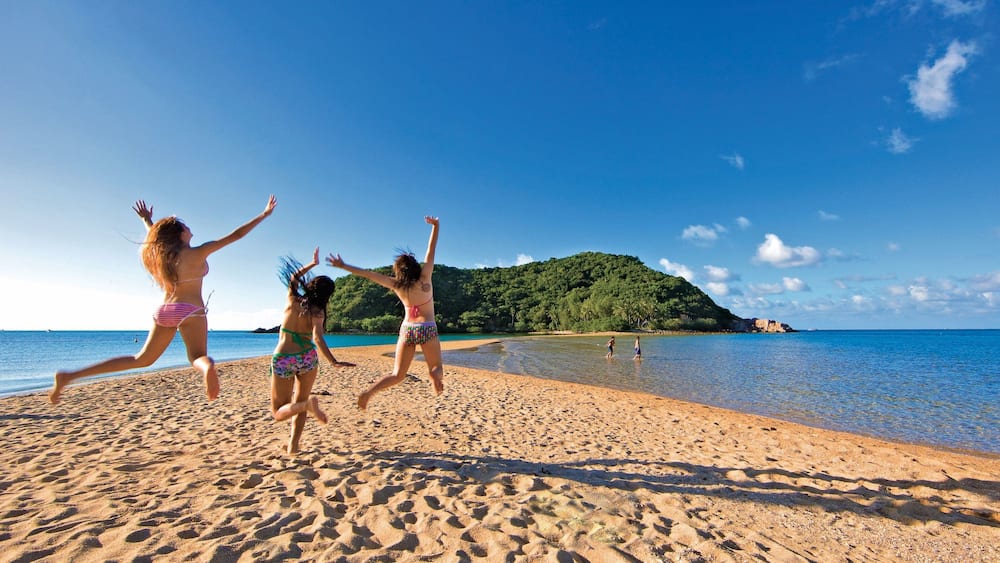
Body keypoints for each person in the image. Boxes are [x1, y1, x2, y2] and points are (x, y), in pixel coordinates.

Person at [49, 196, 277, 404]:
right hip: (191, 310)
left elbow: (155, 238)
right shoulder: (198, 253)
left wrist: (147, 220)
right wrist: (264, 214)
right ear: (180, 235)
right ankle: (207, 368)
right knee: (197, 357)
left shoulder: (164, 255)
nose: (188, 227)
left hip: (165, 310)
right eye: (185, 226)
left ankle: (70, 376)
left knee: (141, 359)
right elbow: (236, 235)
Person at [326, 216, 443, 410]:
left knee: (397, 374)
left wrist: (343, 266)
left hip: (407, 329)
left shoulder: (396, 285)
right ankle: (434, 376)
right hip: (427, 326)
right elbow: (431, 250)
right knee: (436, 366)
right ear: (416, 267)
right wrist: (435, 226)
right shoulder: (425, 278)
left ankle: (369, 392)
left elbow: (369, 274)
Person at [271, 248, 355, 454]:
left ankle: (305, 408)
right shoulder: (319, 312)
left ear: (310, 286)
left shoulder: (293, 300)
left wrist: (312, 263)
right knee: (301, 401)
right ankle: (293, 446)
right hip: (308, 358)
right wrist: (333, 361)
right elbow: (318, 338)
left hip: (284, 357)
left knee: (278, 411)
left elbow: (294, 277)